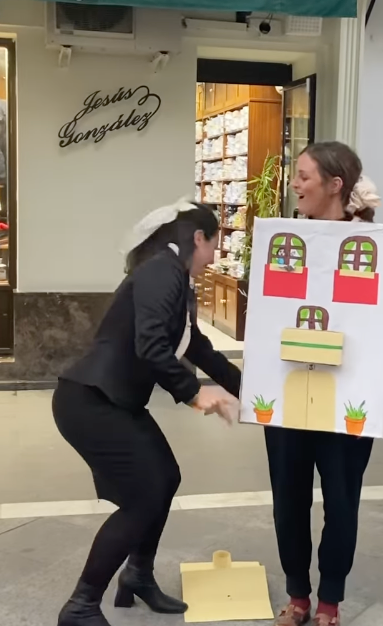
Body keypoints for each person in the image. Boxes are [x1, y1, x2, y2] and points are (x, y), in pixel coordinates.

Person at [52, 201, 242, 626]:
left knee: (165, 479)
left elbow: (197, 347)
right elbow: (151, 344)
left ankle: (137, 576)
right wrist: (194, 393)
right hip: (90, 400)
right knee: (143, 496)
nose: (216, 255)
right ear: (198, 238)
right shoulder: (162, 271)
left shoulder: (173, 276)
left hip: (112, 400)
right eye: (216, 243)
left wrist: (245, 387)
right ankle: (81, 605)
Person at [269, 141, 380, 626]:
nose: (295, 183)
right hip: (290, 393)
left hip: (347, 401)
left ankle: (329, 602)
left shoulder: (375, 247)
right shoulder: (286, 242)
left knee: (341, 501)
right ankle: (297, 596)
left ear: (335, 186)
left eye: (305, 176)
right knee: (288, 500)